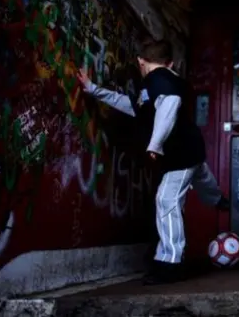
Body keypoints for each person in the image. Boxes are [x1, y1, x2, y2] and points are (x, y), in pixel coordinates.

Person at [76, 39, 230, 285]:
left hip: (180, 154)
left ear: (140, 61)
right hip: (191, 149)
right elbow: (134, 105)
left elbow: (169, 108)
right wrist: (94, 89)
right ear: (170, 62)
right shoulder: (154, 85)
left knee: (166, 200)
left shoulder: (160, 80)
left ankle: (171, 263)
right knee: (201, 175)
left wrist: (154, 144)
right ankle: (217, 199)